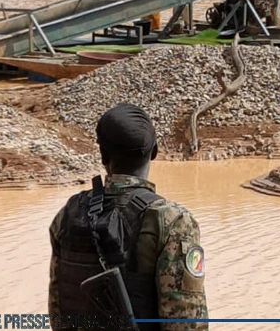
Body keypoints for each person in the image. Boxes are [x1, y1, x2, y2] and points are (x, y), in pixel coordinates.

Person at [49, 103, 207, 331]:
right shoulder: (173, 221)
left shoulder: (68, 214)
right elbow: (186, 322)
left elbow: (58, 309)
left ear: (103, 155)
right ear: (154, 151)